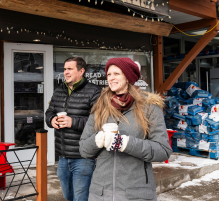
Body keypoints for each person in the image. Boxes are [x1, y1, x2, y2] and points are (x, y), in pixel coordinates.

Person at [79, 57, 172, 201]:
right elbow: (84, 149)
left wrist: (125, 143)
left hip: (137, 194)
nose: (111, 78)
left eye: (117, 74)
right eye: (109, 74)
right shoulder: (100, 106)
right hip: (101, 193)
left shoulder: (149, 107)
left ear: (128, 77)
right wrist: (97, 139)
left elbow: (163, 150)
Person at [45, 57, 101, 201]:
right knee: (68, 196)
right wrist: (52, 120)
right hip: (63, 157)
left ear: (81, 71)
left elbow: (99, 123)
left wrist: (73, 122)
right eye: (64, 69)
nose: (65, 72)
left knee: (80, 198)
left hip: (83, 157)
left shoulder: (95, 91)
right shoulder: (59, 91)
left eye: (70, 69)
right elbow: (49, 112)